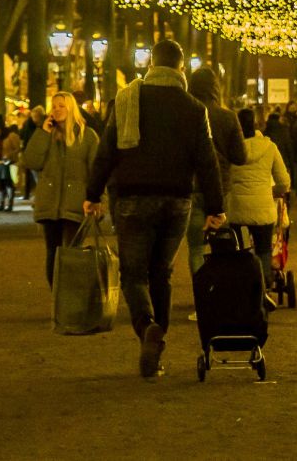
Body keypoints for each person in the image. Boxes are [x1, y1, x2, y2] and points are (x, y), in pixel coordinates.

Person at [84, 38, 225, 379]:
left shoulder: (128, 99)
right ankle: (157, 342)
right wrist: (215, 206)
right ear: (180, 69)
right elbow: (207, 162)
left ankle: (147, 327)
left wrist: (93, 193)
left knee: (133, 274)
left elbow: (107, 151)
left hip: (132, 199)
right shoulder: (194, 108)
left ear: (150, 66)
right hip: (177, 201)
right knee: (161, 272)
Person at [23, 91, 99, 286]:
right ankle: (58, 300)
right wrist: (43, 132)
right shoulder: (47, 135)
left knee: (73, 253)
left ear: (71, 108)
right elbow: (31, 161)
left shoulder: (88, 136)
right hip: (50, 203)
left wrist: (98, 200)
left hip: (76, 203)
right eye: (54, 106)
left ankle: (73, 298)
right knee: (53, 254)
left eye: (61, 105)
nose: (56, 110)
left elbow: (97, 171)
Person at [185, 66, 248, 278]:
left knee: (196, 248)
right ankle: (221, 294)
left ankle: (202, 299)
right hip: (221, 188)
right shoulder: (228, 117)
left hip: (191, 187)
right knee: (222, 243)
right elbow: (240, 156)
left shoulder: (187, 114)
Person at [225, 107, 291, 304]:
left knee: (239, 250)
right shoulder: (269, 147)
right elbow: (283, 181)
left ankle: (241, 288)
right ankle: (264, 289)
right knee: (263, 249)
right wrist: (273, 190)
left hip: (237, 207)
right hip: (263, 206)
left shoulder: (230, 149)